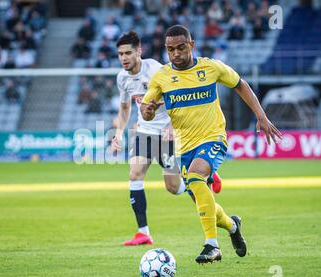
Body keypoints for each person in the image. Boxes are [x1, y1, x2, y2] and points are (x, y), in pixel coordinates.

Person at [140, 25, 282, 264]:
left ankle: (212, 246)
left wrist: (261, 116)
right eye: (171, 49)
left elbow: (240, 84)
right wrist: (149, 110)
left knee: (195, 177)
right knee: (204, 204)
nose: (176, 53)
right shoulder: (161, 77)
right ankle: (233, 226)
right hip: (184, 147)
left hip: (213, 137)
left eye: (181, 47)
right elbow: (145, 112)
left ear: (191, 45)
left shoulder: (211, 67)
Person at [112, 31, 222, 247]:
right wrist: (118, 134)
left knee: (173, 188)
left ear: (139, 52)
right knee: (134, 174)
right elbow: (125, 108)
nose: (124, 58)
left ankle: (206, 184)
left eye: (128, 53)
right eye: (120, 54)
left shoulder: (155, 69)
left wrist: (172, 126)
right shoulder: (122, 78)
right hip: (144, 131)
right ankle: (143, 232)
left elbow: (177, 94)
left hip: (167, 133)